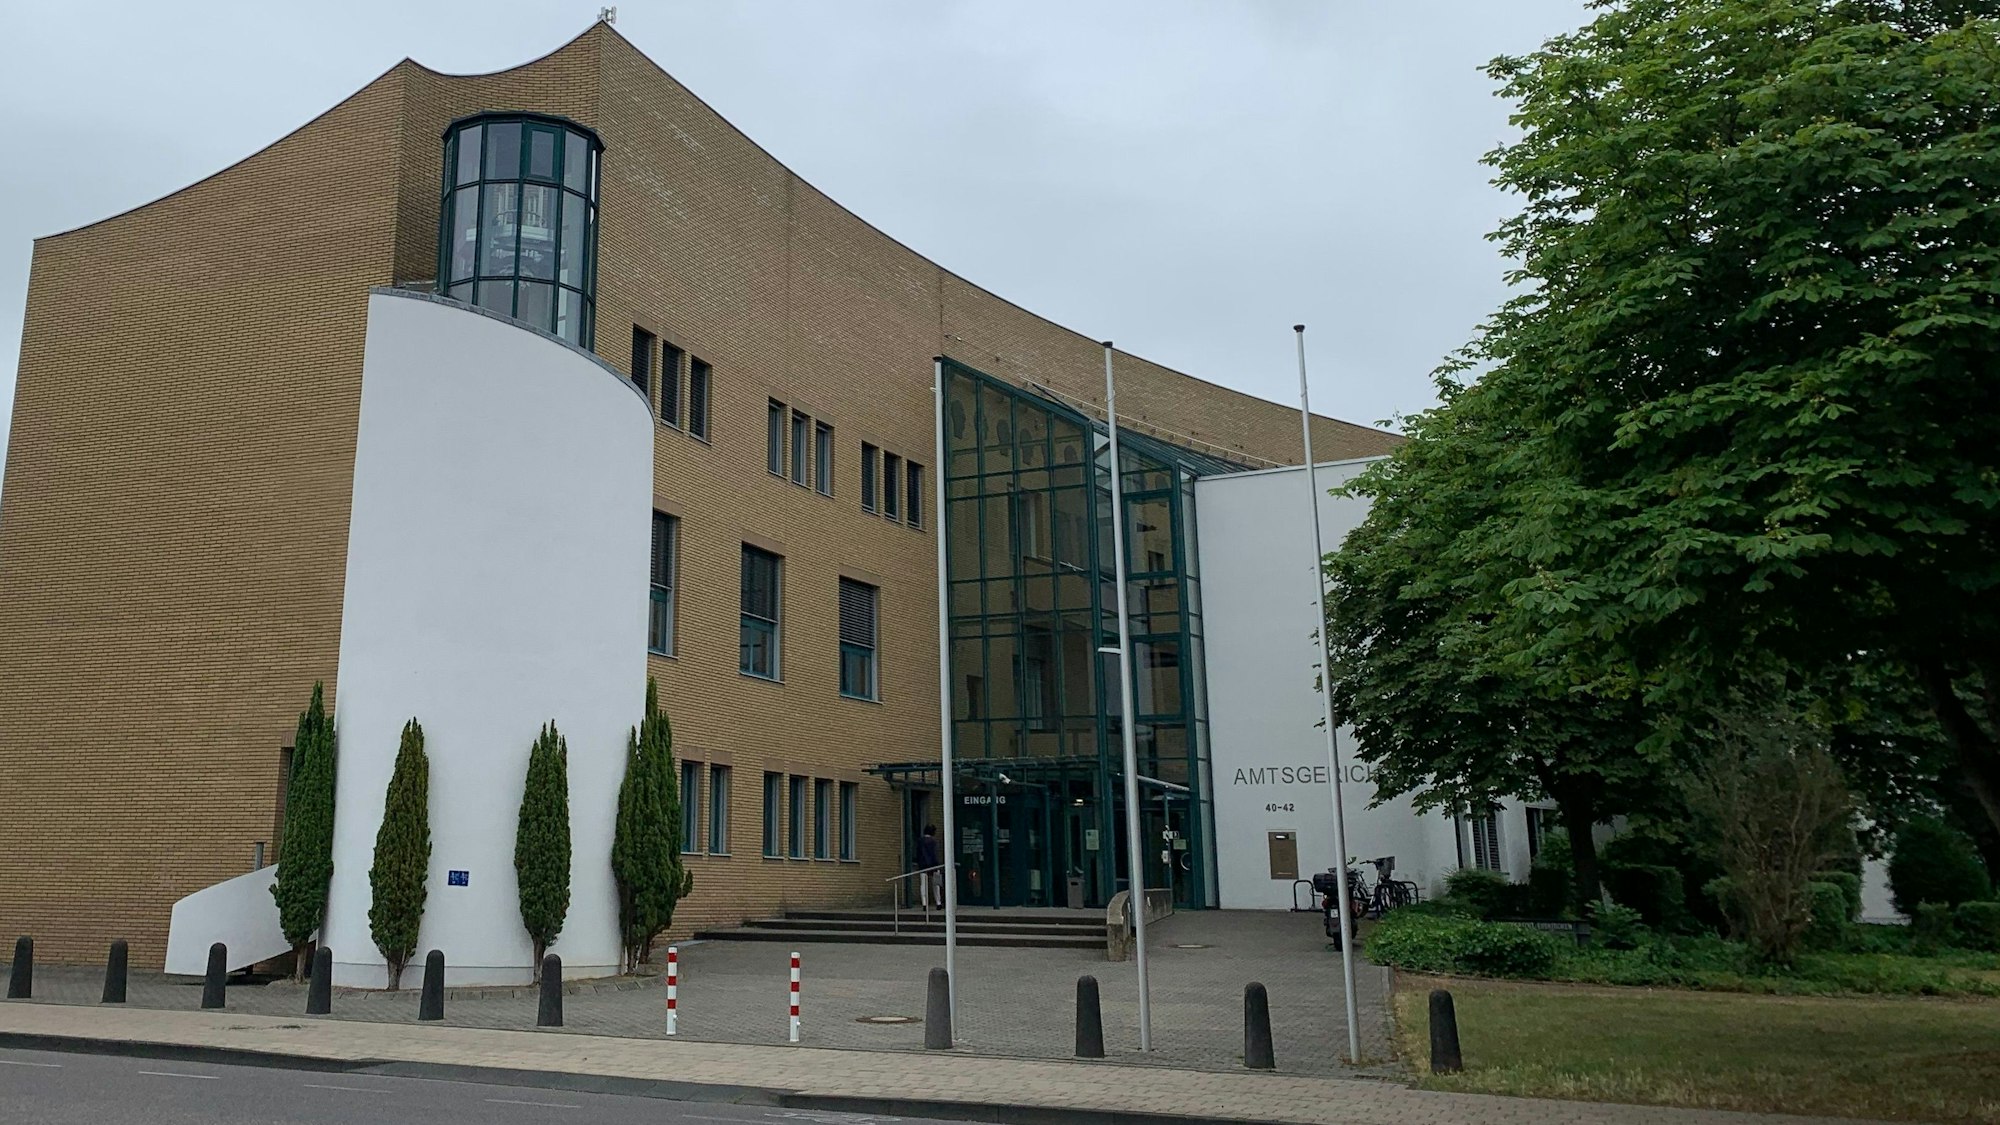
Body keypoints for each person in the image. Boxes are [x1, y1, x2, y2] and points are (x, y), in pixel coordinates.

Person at [916, 825, 943, 908]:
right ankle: (938, 902)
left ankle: (924, 903)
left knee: (923, 885)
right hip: (934, 865)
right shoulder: (934, 842)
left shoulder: (920, 841)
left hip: (923, 865)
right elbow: (935, 854)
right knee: (936, 885)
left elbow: (918, 854)